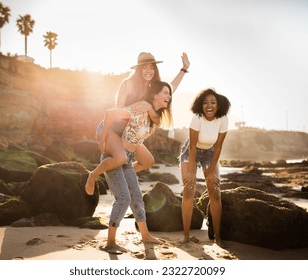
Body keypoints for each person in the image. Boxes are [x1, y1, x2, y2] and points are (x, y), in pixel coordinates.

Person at [84, 52, 189, 193]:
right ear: (138, 69)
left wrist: (184, 69)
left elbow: (170, 89)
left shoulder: (152, 88)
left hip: (130, 131)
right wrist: (104, 138)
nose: (148, 71)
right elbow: (116, 113)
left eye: (151, 68)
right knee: (120, 158)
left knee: (147, 161)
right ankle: (93, 175)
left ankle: (120, 175)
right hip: (113, 128)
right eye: (145, 68)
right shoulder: (128, 84)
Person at [95, 81, 173, 253]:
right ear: (154, 95)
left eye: (170, 94)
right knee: (124, 199)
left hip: (127, 160)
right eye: (165, 92)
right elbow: (110, 113)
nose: (168, 96)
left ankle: (145, 235)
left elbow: (136, 140)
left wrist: (183, 70)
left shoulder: (155, 119)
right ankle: (110, 242)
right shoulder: (140, 108)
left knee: (137, 196)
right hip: (114, 156)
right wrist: (102, 139)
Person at [178, 88, 230, 247]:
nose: (209, 105)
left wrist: (211, 170)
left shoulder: (223, 119)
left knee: (215, 191)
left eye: (213, 102)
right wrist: (192, 171)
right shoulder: (197, 118)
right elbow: (192, 147)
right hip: (190, 152)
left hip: (210, 153)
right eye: (206, 102)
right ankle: (186, 235)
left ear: (218, 105)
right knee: (189, 188)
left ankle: (218, 237)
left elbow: (219, 147)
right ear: (201, 105)